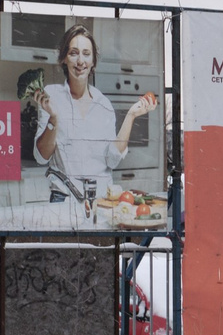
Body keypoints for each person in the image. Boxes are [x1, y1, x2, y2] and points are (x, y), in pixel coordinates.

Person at [32, 24, 157, 207]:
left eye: (86, 54)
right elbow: (41, 156)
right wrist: (53, 118)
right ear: (64, 59)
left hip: (101, 202)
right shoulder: (51, 96)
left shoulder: (103, 105)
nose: (80, 61)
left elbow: (112, 160)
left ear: (93, 62)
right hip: (63, 200)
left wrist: (131, 116)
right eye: (74, 53)